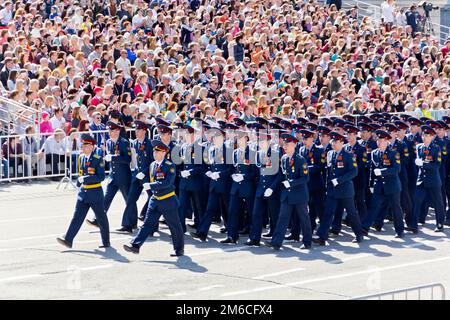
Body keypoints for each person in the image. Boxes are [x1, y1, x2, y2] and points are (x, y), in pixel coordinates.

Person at [123, 139, 184, 257]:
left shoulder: (169, 166)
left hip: (168, 200)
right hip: (155, 200)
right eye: (154, 152)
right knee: (147, 224)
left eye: (157, 152)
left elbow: (167, 183)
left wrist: (150, 185)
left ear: (164, 153)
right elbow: (152, 179)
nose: (154, 154)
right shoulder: (152, 165)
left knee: (174, 226)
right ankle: (135, 245)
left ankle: (179, 249)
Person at [56, 133, 110, 248]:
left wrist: (85, 178)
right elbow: (81, 173)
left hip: (95, 193)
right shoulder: (81, 157)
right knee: (77, 217)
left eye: (85, 146)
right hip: (83, 193)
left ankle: (106, 242)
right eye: (83, 145)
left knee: (101, 218)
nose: (83, 147)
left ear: (91, 146)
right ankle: (68, 239)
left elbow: (100, 177)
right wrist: (79, 183)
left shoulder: (97, 159)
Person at [313, 131, 364, 245]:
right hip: (332, 189)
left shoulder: (348, 155)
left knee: (351, 213)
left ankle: (359, 234)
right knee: (328, 212)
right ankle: (322, 236)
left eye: (335, 141)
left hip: (345, 189)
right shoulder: (330, 154)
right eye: (332, 141)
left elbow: (354, 171)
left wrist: (339, 180)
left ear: (341, 142)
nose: (333, 143)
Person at [265, 133, 312, 251]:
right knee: (282, 218)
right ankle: (276, 242)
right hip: (287, 194)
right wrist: (272, 188)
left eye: (288, 144)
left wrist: (291, 183)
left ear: (294, 145)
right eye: (284, 144)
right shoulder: (284, 158)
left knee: (303, 218)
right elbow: (281, 175)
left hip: (299, 194)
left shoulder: (301, 160)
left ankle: (307, 241)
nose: (285, 147)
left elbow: (305, 178)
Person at [86, 121, 131, 227]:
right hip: (113, 176)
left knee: (128, 200)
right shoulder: (109, 142)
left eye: (112, 130)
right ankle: (98, 219)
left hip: (123, 176)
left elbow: (127, 159)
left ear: (118, 131)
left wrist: (114, 157)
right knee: (106, 198)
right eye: (109, 130)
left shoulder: (124, 143)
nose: (109, 132)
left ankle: (130, 223)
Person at [361, 129, 405, 238]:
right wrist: (371, 184)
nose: (379, 142)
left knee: (396, 208)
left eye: (381, 140)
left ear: (387, 141)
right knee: (374, 206)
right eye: (378, 140)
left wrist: (382, 171)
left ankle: (399, 230)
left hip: (392, 185)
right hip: (379, 184)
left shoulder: (394, 153)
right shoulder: (374, 153)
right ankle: (364, 228)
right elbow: (372, 169)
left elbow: (397, 169)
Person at [408, 125, 445, 233]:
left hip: (433, 179)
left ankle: (439, 224)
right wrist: (419, 163)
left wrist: (423, 164)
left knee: (438, 202)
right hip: (421, 180)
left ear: (432, 137)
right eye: (423, 135)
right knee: (416, 201)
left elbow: (437, 165)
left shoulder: (436, 148)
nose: (425, 137)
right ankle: (413, 225)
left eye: (427, 135)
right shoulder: (419, 147)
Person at [221, 130, 257, 244]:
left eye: (241, 138)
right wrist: (234, 175)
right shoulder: (235, 153)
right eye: (238, 138)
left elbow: (255, 173)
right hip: (236, 186)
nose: (239, 140)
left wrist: (244, 176)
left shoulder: (252, 153)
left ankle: (253, 236)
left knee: (251, 212)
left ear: (246, 139)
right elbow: (232, 168)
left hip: (248, 186)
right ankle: (231, 236)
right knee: (232, 211)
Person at [117, 120, 153, 233]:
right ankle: (128, 224)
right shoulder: (135, 143)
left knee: (154, 200)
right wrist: (136, 171)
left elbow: (153, 162)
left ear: (144, 131)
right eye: (136, 129)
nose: (136, 132)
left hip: (147, 176)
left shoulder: (150, 144)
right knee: (131, 199)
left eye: (138, 130)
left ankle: (152, 226)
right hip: (137, 175)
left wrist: (145, 172)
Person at [246, 130, 281, 246]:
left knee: (274, 215)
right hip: (261, 188)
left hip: (272, 189)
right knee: (256, 213)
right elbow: (257, 172)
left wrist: (272, 188)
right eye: (260, 140)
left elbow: (280, 174)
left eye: (264, 140)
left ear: (269, 141)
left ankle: (276, 239)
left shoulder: (276, 153)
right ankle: (255, 238)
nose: (261, 143)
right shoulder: (258, 154)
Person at [177, 124, 205, 233]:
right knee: (181, 205)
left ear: (194, 135)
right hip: (184, 182)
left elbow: (202, 167)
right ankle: (180, 228)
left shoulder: (199, 148)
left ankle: (201, 228)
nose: (187, 136)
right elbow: (179, 164)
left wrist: (190, 172)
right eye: (186, 133)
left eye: (189, 133)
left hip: (196, 181)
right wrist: (180, 172)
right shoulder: (183, 147)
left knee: (198, 206)